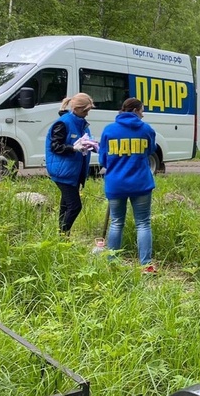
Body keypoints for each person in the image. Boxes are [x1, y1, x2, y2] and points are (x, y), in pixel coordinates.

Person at [99, 98, 158, 273]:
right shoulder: (146, 129)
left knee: (116, 222)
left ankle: (112, 262)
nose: (143, 114)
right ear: (134, 110)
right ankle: (146, 265)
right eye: (141, 110)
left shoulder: (109, 130)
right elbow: (151, 150)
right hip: (141, 184)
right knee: (143, 223)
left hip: (116, 184)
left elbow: (103, 159)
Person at [45, 93, 98, 234]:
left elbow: (84, 139)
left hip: (73, 171)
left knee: (65, 206)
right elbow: (55, 146)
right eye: (85, 110)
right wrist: (73, 148)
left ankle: (62, 237)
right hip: (63, 171)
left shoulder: (81, 123)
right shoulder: (63, 123)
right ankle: (63, 235)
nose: (87, 114)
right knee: (75, 206)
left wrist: (92, 144)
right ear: (76, 108)